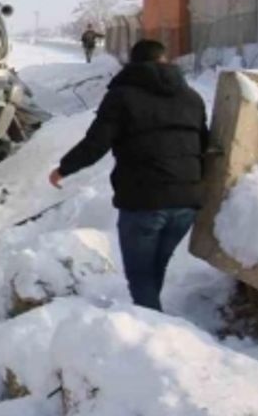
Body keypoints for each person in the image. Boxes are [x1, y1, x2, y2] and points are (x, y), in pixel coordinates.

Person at [49, 39, 208, 312]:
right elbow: (204, 146)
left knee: (141, 277)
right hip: (186, 204)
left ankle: (152, 329)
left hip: (144, 200)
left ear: (133, 63)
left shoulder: (122, 96)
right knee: (154, 270)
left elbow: (96, 143)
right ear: (164, 60)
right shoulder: (192, 98)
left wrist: (64, 169)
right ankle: (154, 321)